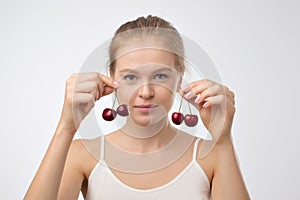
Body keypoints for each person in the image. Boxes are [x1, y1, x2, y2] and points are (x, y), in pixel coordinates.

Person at [24, 15, 250, 200]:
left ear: (179, 80)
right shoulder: (82, 155)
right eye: (131, 77)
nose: (145, 92)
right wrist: (66, 128)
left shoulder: (209, 156)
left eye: (160, 75)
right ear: (112, 79)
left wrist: (223, 141)